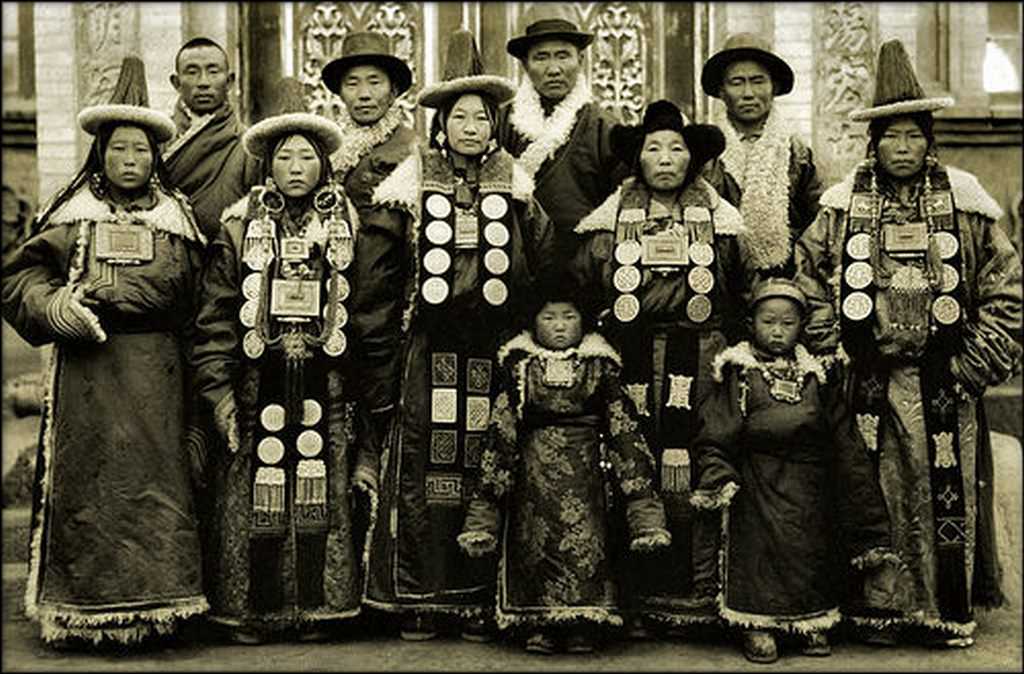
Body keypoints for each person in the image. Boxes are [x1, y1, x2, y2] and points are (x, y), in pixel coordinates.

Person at [794, 39, 1023, 648]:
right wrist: (832, 350)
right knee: (872, 494)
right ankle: (878, 611)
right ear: (875, 143)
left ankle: (941, 611)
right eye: (890, 137)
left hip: (943, 379)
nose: (902, 148)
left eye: (913, 136)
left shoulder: (967, 203)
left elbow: (1008, 289)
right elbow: (808, 280)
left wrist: (975, 363)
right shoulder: (842, 207)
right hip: (866, 379)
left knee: (936, 495)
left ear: (929, 141)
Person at [1, 60, 208, 647]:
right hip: (88, 378)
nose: (129, 161)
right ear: (101, 153)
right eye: (118, 150)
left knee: (158, 492)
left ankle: (158, 613)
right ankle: (83, 613)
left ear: (154, 157)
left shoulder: (178, 223)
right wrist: (57, 306)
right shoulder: (71, 219)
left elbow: (198, 304)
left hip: (158, 378)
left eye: (140, 151)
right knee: (91, 489)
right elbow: (20, 279)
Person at [362, 30, 554, 642]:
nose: (470, 127)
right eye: (458, 117)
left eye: (481, 117)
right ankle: (421, 596)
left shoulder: (517, 182)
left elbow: (543, 261)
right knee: (427, 469)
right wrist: (382, 356)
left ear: (495, 125)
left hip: (493, 348)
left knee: (488, 464)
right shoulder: (408, 181)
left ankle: (480, 598)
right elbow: (377, 280)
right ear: (440, 123)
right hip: (427, 347)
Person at [189, 78, 366, 644]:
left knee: (320, 487)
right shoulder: (240, 227)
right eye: (284, 156)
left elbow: (364, 306)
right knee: (254, 489)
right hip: (254, 380)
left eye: (307, 156)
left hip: (326, 383)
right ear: (267, 164)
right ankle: (255, 613)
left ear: (323, 165)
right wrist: (217, 389)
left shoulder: (346, 226)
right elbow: (216, 312)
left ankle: (317, 609)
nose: (295, 167)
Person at [572, 98, 755, 635]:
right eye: (654, 148)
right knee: (631, 465)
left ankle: (700, 595)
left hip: (701, 359)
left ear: (693, 159)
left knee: (700, 463)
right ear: (638, 160)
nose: (666, 158)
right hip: (630, 361)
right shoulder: (610, 221)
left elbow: (744, 290)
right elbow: (581, 288)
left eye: (677, 148)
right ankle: (635, 598)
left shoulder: (720, 219)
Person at [457, 275, 670, 654]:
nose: (559, 326)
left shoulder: (600, 367)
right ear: (533, 322)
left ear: (583, 321)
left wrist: (643, 509)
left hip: (586, 472)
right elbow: (500, 432)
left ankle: (583, 623)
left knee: (586, 546)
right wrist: (485, 510)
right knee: (535, 545)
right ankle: (537, 622)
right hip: (532, 476)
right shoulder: (520, 367)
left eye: (568, 316)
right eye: (549, 317)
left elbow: (624, 431)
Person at [690, 278, 898, 663]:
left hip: (808, 483)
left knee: (809, 550)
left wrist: (857, 496)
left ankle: (810, 620)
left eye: (788, 323)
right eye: (768, 321)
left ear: (801, 326)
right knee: (757, 550)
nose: (777, 331)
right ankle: (757, 625)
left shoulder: (816, 374)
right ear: (751, 322)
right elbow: (716, 430)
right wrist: (719, 477)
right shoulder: (738, 371)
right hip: (756, 479)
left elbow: (844, 437)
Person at [321, 31, 420, 480]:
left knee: (385, 416)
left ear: (395, 90)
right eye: (353, 83)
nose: (363, 94)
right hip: (332, 303)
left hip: (388, 305)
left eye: (375, 81)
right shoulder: (325, 153)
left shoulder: (411, 151)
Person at [496, 5, 629, 263]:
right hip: (514, 260)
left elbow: (621, 205)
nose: (554, 68)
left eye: (563, 56)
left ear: (580, 60)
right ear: (525, 65)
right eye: (541, 57)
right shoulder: (501, 121)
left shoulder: (606, 126)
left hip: (585, 261)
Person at [700, 32, 824, 276]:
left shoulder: (796, 153)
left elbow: (817, 225)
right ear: (722, 91)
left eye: (758, 81)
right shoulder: (704, 152)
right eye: (737, 82)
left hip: (783, 278)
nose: (748, 93)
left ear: (773, 87)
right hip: (717, 275)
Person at [165, 36, 261, 239]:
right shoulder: (159, 139)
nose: (203, 82)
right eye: (192, 72)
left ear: (230, 81)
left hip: (225, 259)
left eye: (213, 71)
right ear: (176, 82)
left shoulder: (249, 146)